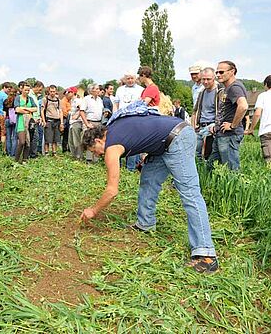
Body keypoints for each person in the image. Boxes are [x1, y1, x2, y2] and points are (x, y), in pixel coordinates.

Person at [80, 105, 218, 273]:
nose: (96, 155)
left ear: (97, 140)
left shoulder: (111, 147)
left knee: (190, 194)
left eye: (94, 151)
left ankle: (206, 254)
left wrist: (93, 211)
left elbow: (112, 191)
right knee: (148, 179)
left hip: (178, 137)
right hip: (165, 142)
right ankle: (145, 223)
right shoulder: (113, 127)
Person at [208, 61, 248, 171]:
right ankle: (211, 186)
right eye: (217, 72)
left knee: (231, 169)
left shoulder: (235, 87)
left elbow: (243, 106)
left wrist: (232, 125)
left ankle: (234, 188)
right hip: (221, 133)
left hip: (229, 135)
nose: (218, 75)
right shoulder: (227, 88)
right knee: (212, 165)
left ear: (232, 72)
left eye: (221, 72)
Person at [114, 73, 144, 170]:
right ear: (124, 79)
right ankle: (117, 165)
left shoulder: (140, 89)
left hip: (135, 118)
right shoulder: (120, 89)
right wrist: (115, 116)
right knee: (120, 141)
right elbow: (116, 104)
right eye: (128, 78)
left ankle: (131, 167)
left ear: (135, 79)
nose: (130, 80)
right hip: (122, 118)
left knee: (133, 142)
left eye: (132, 78)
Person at [192, 67, 223, 159]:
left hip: (211, 126)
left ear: (214, 78)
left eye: (208, 79)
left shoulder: (219, 92)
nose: (205, 82)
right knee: (196, 155)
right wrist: (193, 126)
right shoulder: (202, 92)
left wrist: (215, 126)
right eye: (203, 79)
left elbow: (222, 111)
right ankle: (200, 173)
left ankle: (209, 173)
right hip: (200, 126)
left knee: (208, 155)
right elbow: (195, 111)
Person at [80, 84, 104, 162]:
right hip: (90, 122)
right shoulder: (86, 99)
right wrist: (87, 124)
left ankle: (96, 158)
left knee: (97, 140)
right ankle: (89, 159)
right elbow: (82, 111)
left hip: (98, 123)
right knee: (89, 140)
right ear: (91, 90)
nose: (99, 90)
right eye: (97, 89)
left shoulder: (100, 99)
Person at [14, 83, 37, 163]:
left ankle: (25, 159)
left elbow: (35, 108)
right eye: (25, 90)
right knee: (22, 141)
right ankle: (16, 160)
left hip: (29, 123)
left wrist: (24, 109)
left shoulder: (30, 99)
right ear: (21, 89)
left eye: (28, 90)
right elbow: (17, 109)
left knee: (28, 142)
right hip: (20, 122)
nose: (27, 92)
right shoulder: (18, 98)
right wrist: (28, 110)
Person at [41, 85, 63, 156]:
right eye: (51, 91)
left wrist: (61, 122)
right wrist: (44, 121)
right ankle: (47, 153)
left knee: (55, 138)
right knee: (48, 138)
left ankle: (54, 152)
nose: (52, 93)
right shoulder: (45, 99)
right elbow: (42, 110)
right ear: (49, 91)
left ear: (56, 91)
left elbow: (61, 111)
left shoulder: (58, 100)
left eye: (54, 91)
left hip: (57, 121)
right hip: (48, 120)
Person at [29, 81, 44, 158]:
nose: (40, 91)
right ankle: (32, 154)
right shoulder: (29, 94)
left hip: (37, 119)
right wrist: (33, 118)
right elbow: (29, 108)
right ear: (37, 86)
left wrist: (39, 117)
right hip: (32, 119)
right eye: (40, 89)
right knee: (34, 137)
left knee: (35, 137)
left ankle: (33, 153)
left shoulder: (35, 96)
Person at [0, 82, 11, 150]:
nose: (8, 91)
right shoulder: (4, 96)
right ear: (4, 87)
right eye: (8, 89)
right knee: (3, 132)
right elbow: (7, 106)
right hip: (3, 115)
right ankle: (3, 149)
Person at [60, 87, 76, 152]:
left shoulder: (71, 100)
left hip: (71, 118)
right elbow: (64, 112)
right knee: (65, 135)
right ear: (67, 94)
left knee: (70, 134)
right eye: (71, 94)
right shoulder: (63, 101)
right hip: (66, 119)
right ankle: (64, 149)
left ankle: (70, 148)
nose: (72, 95)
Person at [4, 87, 18, 157]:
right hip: (15, 120)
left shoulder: (6, 101)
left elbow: (4, 112)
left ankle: (8, 153)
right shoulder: (17, 101)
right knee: (15, 138)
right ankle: (13, 154)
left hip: (7, 119)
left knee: (8, 137)